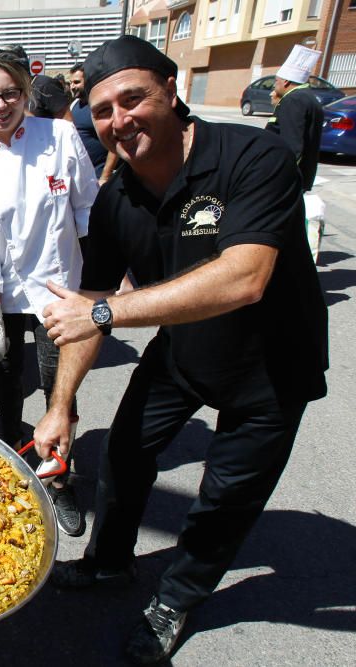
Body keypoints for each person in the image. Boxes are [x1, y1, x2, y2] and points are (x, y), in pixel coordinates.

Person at [33, 36, 328, 664]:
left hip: (272, 365)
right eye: (103, 109)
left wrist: (106, 310)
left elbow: (245, 277)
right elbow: (89, 306)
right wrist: (61, 405)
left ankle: (176, 597)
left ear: (172, 90)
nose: (119, 120)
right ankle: (109, 562)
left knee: (224, 498)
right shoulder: (117, 201)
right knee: (124, 450)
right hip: (186, 350)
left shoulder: (255, 155)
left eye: (133, 99)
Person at [0, 51, 99, 538]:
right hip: (5, 288)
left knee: (60, 384)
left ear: (26, 93)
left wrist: (100, 283)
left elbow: (87, 209)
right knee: (7, 375)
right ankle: (13, 450)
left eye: (10, 93)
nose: (0, 105)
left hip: (58, 286)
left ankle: (58, 474)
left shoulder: (59, 137)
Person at [265, 45, 324, 192]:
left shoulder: (293, 100)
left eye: (276, 81)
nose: (274, 85)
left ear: (285, 82)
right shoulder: (310, 98)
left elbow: (292, 146)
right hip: (301, 177)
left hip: (287, 180)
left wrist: (281, 178)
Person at [69, 63, 118, 184]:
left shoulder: (99, 107)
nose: (72, 86)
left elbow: (115, 142)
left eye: (76, 82)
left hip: (97, 176)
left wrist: (105, 177)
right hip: (79, 177)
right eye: (70, 83)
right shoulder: (74, 105)